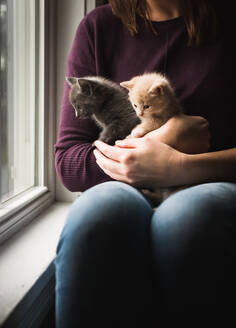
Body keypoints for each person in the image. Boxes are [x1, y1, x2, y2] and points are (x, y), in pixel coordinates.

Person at [54, 0, 236, 327]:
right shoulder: (99, 28)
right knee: (95, 220)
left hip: (210, 183)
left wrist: (184, 167)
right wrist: (162, 141)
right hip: (119, 187)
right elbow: (69, 160)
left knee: (188, 221)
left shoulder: (228, 21)